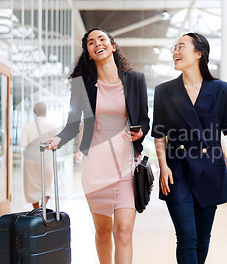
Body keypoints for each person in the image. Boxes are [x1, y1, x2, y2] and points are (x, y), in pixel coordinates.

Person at [152, 32, 227, 264]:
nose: (175, 51)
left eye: (181, 47)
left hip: (209, 170)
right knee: (186, 238)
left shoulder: (222, 90)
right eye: (174, 47)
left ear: (199, 53)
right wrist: (163, 167)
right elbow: (159, 134)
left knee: (202, 239)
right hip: (177, 171)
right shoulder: (164, 91)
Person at [43, 27, 150, 264]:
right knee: (103, 232)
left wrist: (140, 132)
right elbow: (73, 125)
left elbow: (144, 119)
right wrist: (57, 140)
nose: (97, 43)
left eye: (102, 39)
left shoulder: (135, 80)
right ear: (89, 53)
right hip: (96, 168)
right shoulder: (84, 85)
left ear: (113, 46)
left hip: (126, 166)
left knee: (123, 231)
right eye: (91, 42)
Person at [19, 102, 57, 209]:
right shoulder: (51, 125)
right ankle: (43, 207)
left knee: (32, 187)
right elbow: (56, 142)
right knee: (47, 186)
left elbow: (22, 143)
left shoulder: (28, 126)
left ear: (34, 112)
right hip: (46, 158)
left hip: (30, 158)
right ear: (45, 111)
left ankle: (36, 210)